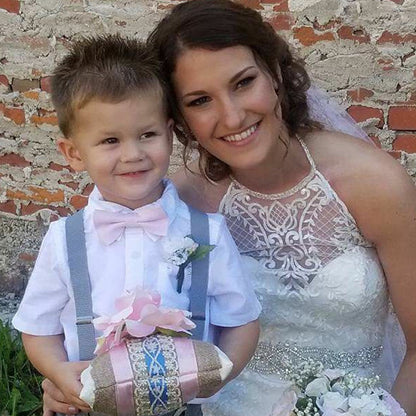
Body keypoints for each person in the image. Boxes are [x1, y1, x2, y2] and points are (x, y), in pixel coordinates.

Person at [146, 0, 416, 414]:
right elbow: (139, 324)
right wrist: (73, 375)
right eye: (200, 100)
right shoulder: (179, 201)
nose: (232, 116)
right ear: (179, 118)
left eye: (243, 82)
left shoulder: (374, 184)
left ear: (274, 73)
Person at [12, 34, 261, 415]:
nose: (133, 154)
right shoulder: (64, 240)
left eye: (147, 135)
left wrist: (218, 379)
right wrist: (59, 372)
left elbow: (242, 321)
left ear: (169, 132)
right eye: (110, 140)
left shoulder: (207, 232)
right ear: (74, 153)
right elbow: (37, 327)